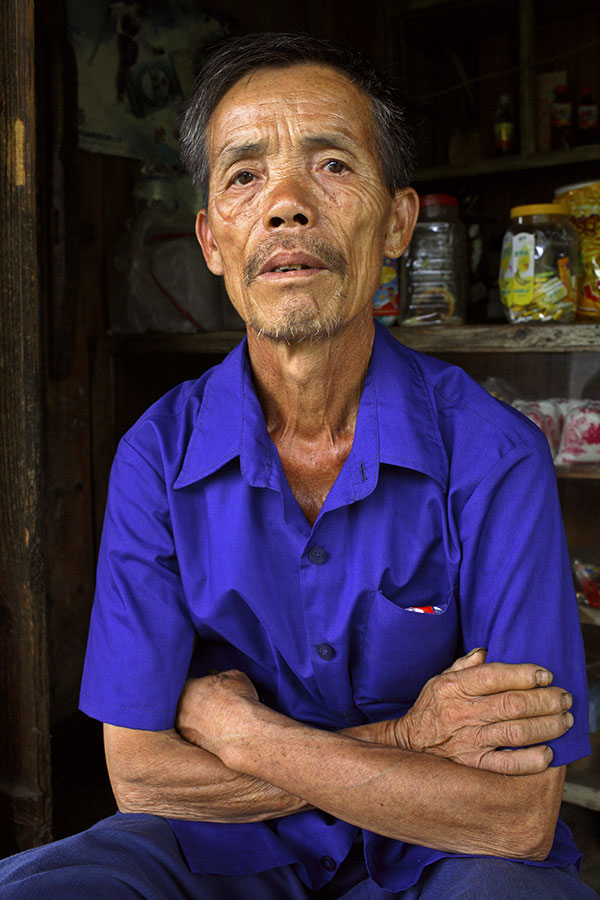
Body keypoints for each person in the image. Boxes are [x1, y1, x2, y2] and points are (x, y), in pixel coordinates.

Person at [1, 32, 597, 900]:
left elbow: (511, 815)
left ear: (398, 222)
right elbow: (142, 778)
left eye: (331, 166)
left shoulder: (493, 454)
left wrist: (238, 735)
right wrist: (407, 740)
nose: (284, 205)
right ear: (212, 239)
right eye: (244, 176)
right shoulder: (157, 456)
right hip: (212, 853)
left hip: (440, 861)